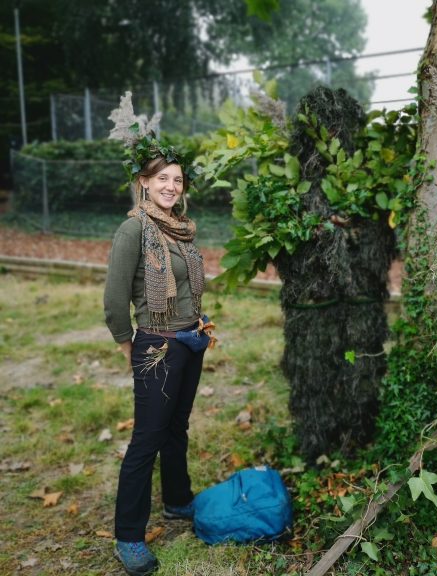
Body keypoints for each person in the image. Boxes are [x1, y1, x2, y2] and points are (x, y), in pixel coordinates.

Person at [104, 140, 208, 575]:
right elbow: (114, 296)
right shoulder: (134, 230)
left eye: (177, 179)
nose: (171, 185)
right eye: (162, 178)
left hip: (191, 340)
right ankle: (128, 536)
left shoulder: (179, 226)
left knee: (176, 427)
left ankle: (178, 501)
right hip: (158, 346)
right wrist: (129, 341)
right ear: (144, 183)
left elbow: (185, 286)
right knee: (147, 438)